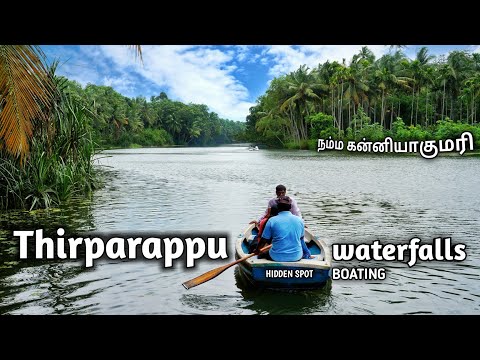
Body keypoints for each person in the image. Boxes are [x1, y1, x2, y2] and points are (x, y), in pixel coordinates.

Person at [255, 196, 313, 261]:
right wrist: (307, 252)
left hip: (276, 257)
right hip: (296, 256)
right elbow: (301, 240)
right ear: (290, 207)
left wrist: (257, 251)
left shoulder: (271, 220)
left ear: (278, 207)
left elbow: (263, 240)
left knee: (261, 254)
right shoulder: (299, 220)